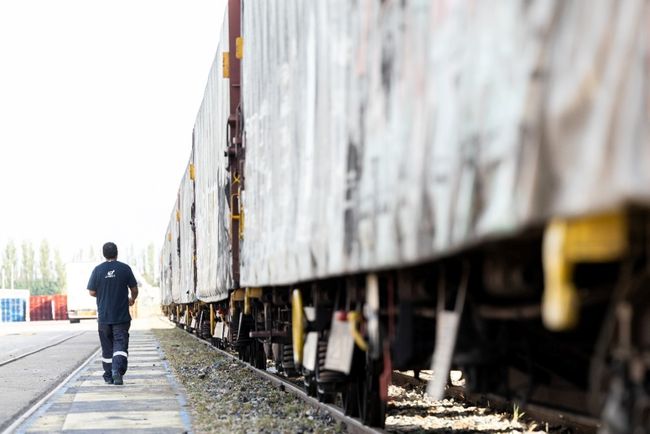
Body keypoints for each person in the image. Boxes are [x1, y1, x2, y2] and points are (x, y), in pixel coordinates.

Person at [87, 242, 138, 385]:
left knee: (107, 348)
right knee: (120, 345)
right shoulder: (125, 269)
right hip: (121, 317)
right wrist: (132, 299)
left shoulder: (97, 270)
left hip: (104, 318)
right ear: (117, 253)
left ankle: (108, 376)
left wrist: (103, 294)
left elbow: (91, 291)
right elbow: (134, 289)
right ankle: (117, 372)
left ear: (104, 254)